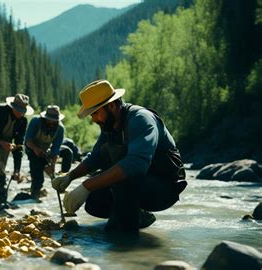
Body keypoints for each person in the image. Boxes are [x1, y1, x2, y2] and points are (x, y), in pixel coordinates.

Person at [52, 80, 187, 233]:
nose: (93, 119)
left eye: (95, 113)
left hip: (164, 187)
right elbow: (96, 157)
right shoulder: (109, 125)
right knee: (94, 202)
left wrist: (87, 185)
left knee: (116, 183)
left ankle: (126, 242)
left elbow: (135, 164)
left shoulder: (141, 119)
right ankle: (135, 216)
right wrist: (70, 176)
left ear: (112, 105)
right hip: (138, 182)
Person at [24, 105, 65, 200]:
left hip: (46, 150)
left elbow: (56, 149)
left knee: (67, 153)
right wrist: (35, 149)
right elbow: (27, 140)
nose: (52, 122)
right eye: (50, 119)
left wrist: (52, 165)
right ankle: (34, 196)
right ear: (45, 118)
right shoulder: (35, 122)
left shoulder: (60, 129)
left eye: (55, 120)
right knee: (37, 172)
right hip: (31, 148)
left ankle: (36, 194)